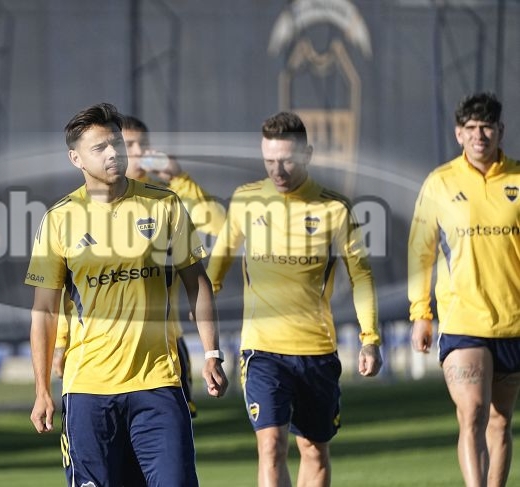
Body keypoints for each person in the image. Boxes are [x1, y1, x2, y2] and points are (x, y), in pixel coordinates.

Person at [25, 102, 228, 486]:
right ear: (76, 158)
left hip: (158, 383)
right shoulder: (59, 219)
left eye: (116, 143)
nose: (113, 153)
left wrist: (211, 353)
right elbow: (44, 311)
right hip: (88, 391)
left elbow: (196, 281)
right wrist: (41, 391)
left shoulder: (164, 204)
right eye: (99, 147)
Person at [206, 111, 382, 487]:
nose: (278, 170)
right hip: (262, 350)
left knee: (314, 450)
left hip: (317, 350)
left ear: (307, 155)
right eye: (269, 161)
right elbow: (213, 274)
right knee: (271, 446)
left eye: (286, 160)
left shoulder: (334, 208)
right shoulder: (246, 201)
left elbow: (361, 276)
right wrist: (200, 329)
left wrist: (370, 338)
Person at [52, 114, 226, 417]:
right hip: (97, 356)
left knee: (171, 435)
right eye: (129, 145)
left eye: (141, 146)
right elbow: (72, 287)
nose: (134, 152)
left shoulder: (167, 201)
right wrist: (60, 341)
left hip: (163, 349)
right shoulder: (78, 209)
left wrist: (180, 177)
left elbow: (221, 226)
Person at [408, 92, 520, 487]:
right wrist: (420, 313)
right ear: (458, 134)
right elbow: (420, 252)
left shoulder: (517, 179)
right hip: (462, 321)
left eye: (486, 127)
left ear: (500, 130)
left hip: (511, 321)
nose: (479, 135)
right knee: (472, 411)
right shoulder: (440, 183)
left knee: (499, 421)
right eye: (470, 128)